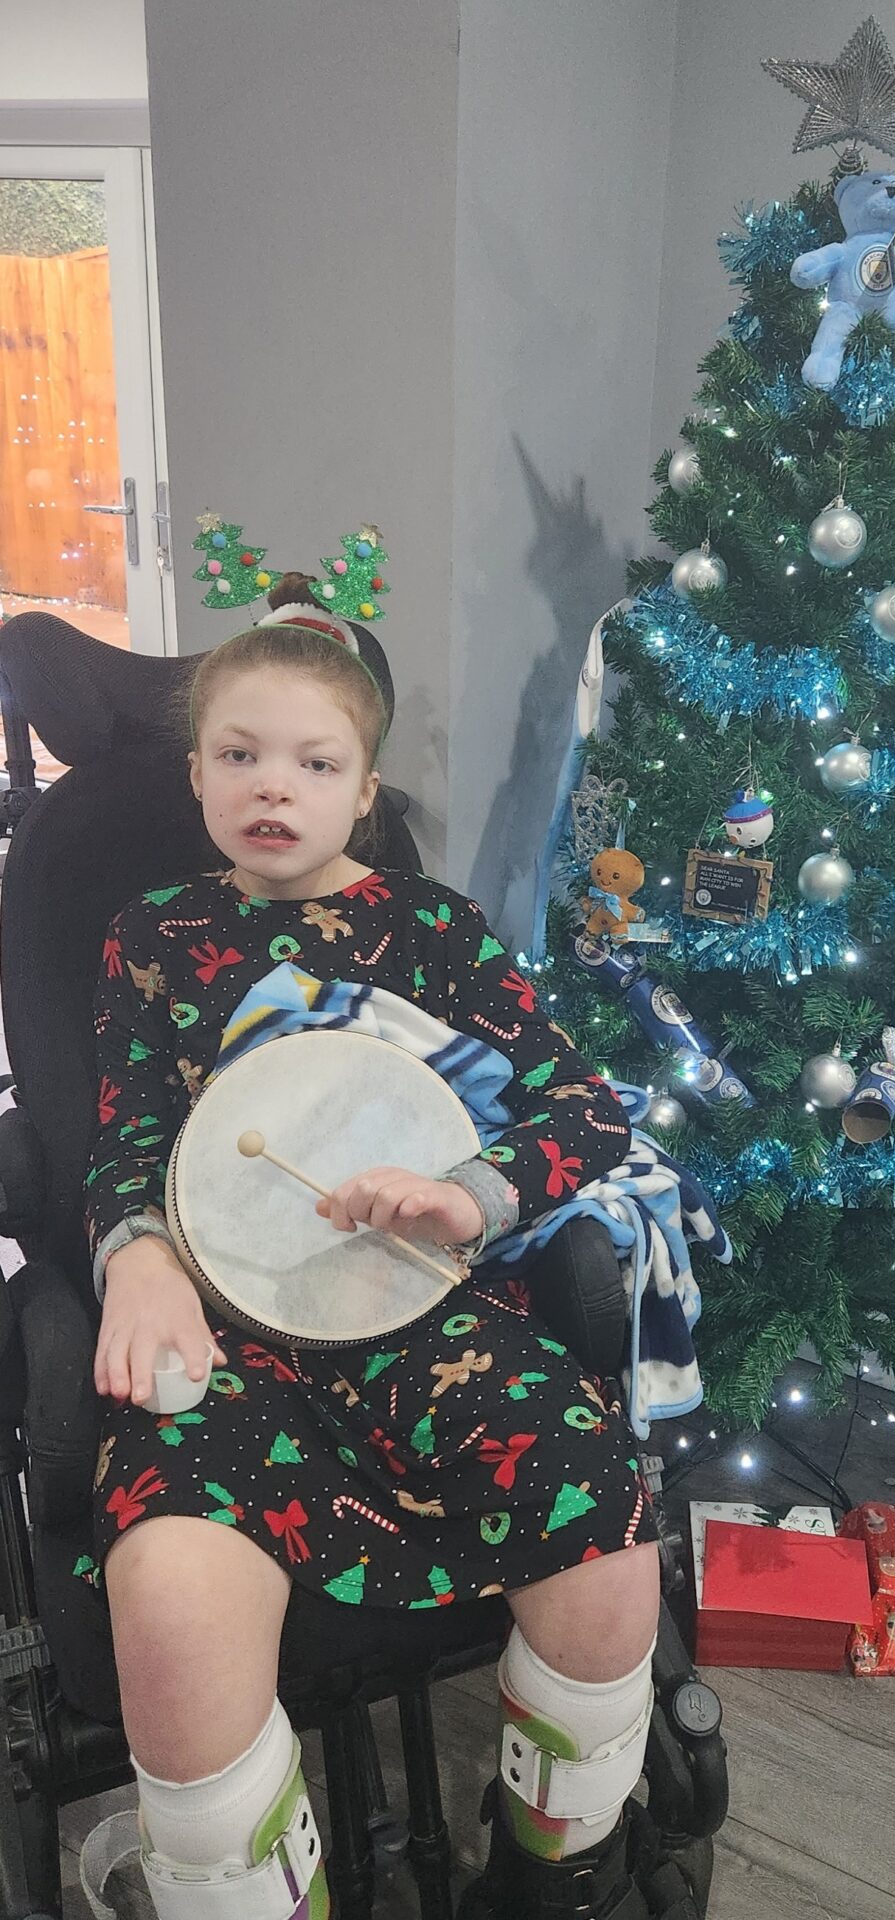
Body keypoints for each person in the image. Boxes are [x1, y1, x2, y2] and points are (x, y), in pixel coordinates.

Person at [85, 577, 675, 1920]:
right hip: (221, 1334)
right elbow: (122, 1136)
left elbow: (584, 1109)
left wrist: (474, 1191)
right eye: (239, 754)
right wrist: (137, 1254)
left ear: (365, 793)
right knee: (172, 1608)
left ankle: (546, 1876)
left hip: (422, 1315)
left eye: (314, 760)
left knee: (608, 1539)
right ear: (196, 773)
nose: (271, 784)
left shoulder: (438, 937)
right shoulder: (154, 941)